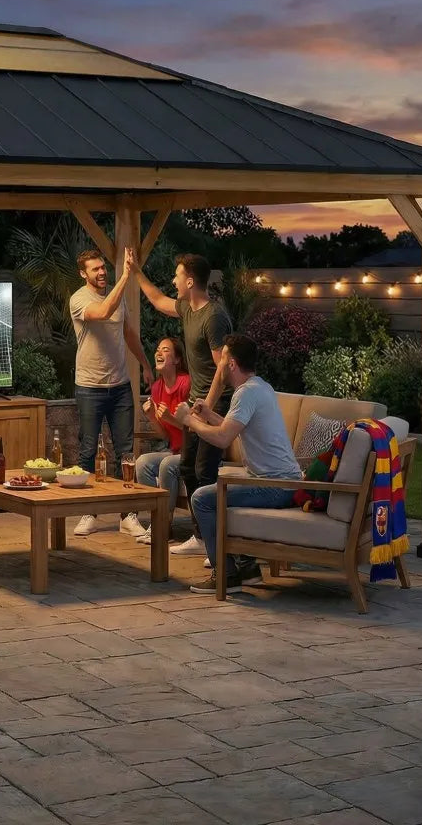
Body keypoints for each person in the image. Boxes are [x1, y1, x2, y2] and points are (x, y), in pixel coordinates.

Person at [175, 334, 302, 594]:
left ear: (231, 364)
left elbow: (222, 439)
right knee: (221, 491)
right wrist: (208, 414)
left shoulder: (246, 394)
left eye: (221, 360)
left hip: (275, 486)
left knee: (201, 498)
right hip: (283, 482)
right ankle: (247, 569)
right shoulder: (259, 386)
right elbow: (231, 427)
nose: (218, 366)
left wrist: (189, 421)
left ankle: (226, 574)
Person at [131, 253, 232, 556]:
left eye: (177, 276)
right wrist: (136, 272)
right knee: (188, 467)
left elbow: (223, 369)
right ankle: (201, 538)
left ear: (190, 281)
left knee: (203, 471)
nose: (173, 281)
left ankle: (216, 542)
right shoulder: (188, 308)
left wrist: (205, 409)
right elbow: (158, 300)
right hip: (196, 406)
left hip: (215, 408)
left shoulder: (213, 317)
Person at [69, 247, 154, 537]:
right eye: (95, 269)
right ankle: (87, 511)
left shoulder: (119, 298)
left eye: (103, 267)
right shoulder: (79, 299)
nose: (102, 272)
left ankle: (127, 515)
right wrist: (127, 275)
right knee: (88, 450)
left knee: (125, 453)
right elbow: (103, 312)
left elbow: (129, 333)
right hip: (89, 387)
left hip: (120, 386)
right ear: (83, 273)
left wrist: (144, 364)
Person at [134, 337, 191, 546]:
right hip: (175, 450)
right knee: (143, 462)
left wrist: (171, 419)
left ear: (176, 359)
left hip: (193, 450)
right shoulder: (157, 388)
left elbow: (195, 429)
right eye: (157, 349)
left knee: (167, 464)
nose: (158, 352)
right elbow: (165, 435)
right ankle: (156, 522)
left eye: (165, 350)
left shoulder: (187, 383)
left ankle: (164, 527)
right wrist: (151, 417)